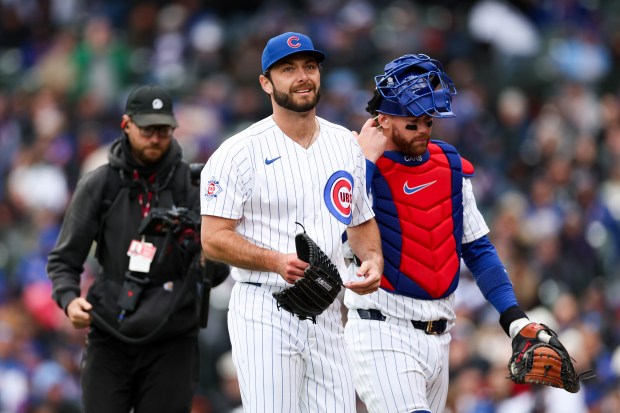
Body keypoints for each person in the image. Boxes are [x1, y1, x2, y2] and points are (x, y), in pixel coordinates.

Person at [343, 54, 558, 413]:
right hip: (381, 329)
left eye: (428, 120)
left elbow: (478, 248)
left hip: (441, 334)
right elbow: (341, 235)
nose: (424, 130)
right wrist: (364, 163)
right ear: (382, 119)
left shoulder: (448, 164)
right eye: (412, 123)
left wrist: (513, 317)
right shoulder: (353, 163)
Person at [200, 32, 384, 413]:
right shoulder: (238, 152)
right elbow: (213, 239)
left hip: (328, 310)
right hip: (265, 306)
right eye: (288, 69)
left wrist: (373, 261)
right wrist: (274, 261)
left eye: (310, 67)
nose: (303, 76)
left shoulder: (344, 144)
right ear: (266, 82)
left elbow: (361, 221)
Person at [47, 84, 227, 413]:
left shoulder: (194, 186)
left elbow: (217, 272)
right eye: (147, 129)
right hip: (110, 329)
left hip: (173, 333)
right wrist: (69, 299)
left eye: (163, 130)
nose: (156, 138)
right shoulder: (99, 184)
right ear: (126, 124)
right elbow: (64, 259)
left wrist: (206, 257)